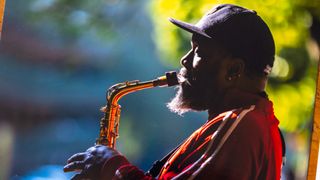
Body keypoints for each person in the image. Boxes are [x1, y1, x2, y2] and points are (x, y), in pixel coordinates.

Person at [63, 4, 284, 180]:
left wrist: (110, 165)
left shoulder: (241, 125)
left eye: (199, 52)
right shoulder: (248, 123)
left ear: (233, 70)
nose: (184, 60)